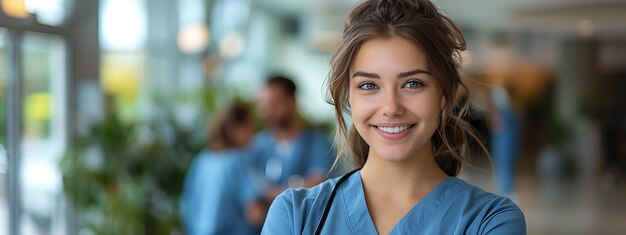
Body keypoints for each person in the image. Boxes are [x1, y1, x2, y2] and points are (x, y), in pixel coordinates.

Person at [261, 0, 526, 234]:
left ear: (443, 95)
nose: (391, 107)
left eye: (412, 84)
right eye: (368, 86)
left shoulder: (489, 221)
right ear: (348, 97)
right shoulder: (296, 215)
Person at [180, 104, 265, 235]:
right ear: (234, 128)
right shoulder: (238, 161)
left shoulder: (202, 159)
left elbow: (187, 205)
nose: (253, 132)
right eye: (249, 126)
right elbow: (255, 215)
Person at [250, 75, 335, 198]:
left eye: (274, 104)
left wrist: (271, 194)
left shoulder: (317, 143)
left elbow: (318, 184)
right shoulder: (259, 144)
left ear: (292, 101)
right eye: (263, 105)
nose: (268, 111)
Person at [488, 84, 521, 199]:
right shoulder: (508, 112)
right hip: (503, 144)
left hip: (506, 144)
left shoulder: (507, 112)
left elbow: (500, 127)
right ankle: (505, 190)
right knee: (503, 166)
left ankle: (508, 191)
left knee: (506, 167)